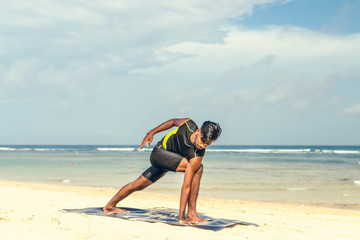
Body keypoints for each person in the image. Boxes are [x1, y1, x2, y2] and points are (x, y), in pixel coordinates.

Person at [103, 118, 222, 225]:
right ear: (198, 131)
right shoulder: (188, 124)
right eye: (203, 140)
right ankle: (191, 214)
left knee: (138, 184)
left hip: (170, 161)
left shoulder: (198, 155)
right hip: (159, 154)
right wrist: (151, 132)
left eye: (208, 144)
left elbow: (187, 185)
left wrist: (181, 217)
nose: (203, 145)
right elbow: (172, 122)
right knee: (199, 169)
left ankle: (109, 206)